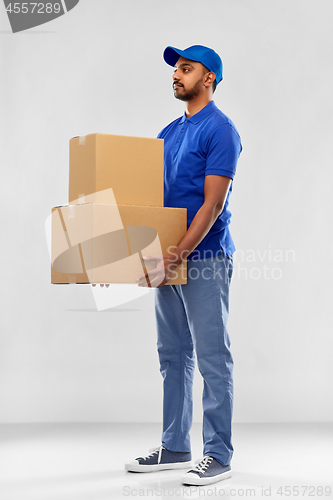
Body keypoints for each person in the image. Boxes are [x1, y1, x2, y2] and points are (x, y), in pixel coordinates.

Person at [125, 44, 242, 486]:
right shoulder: (169, 132)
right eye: (176, 69)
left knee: (213, 358)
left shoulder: (221, 130)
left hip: (205, 257)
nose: (177, 75)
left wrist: (173, 255)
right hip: (167, 259)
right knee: (172, 355)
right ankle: (175, 445)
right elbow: (149, 200)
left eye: (186, 69)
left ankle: (219, 454)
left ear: (208, 78)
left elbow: (212, 206)